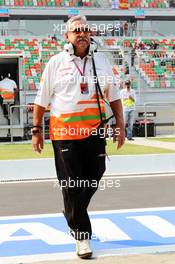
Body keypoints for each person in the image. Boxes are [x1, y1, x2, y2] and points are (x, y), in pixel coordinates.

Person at [32, 15, 125, 259]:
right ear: (67, 36)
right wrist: (36, 131)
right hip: (65, 133)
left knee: (96, 174)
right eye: (76, 31)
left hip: (95, 131)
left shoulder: (102, 61)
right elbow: (41, 101)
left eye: (85, 30)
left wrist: (121, 127)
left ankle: (71, 210)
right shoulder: (55, 62)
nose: (82, 34)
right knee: (73, 184)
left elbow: (114, 96)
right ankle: (83, 238)